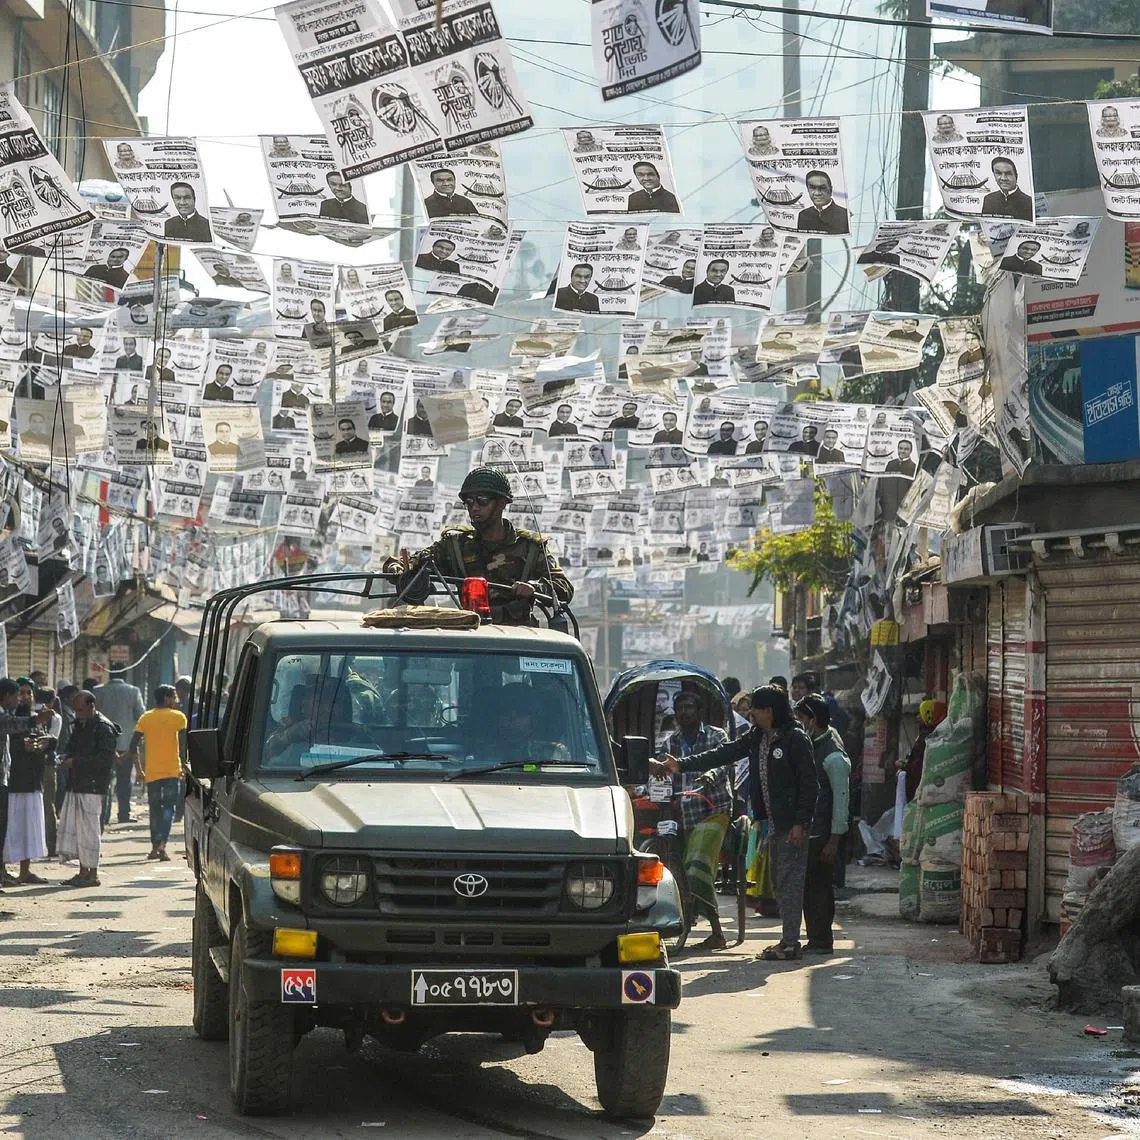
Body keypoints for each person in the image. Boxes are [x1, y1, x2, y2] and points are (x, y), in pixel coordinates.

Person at [652, 684, 817, 961]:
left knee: (789, 883)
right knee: (779, 881)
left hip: (792, 823)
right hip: (772, 823)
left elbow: (809, 785)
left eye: (756, 708)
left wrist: (801, 822)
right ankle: (788, 941)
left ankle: (790, 944)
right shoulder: (757, 736)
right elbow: (723, 754)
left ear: (770, 711)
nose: (750, 712)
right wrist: (680, 764)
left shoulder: (795, 739)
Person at [384, 466, 573, 626]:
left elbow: (564, 587)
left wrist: (535, 589)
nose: (474, 508)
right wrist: (397, 568)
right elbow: (410, 563)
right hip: (472, 636)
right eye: (469, 502)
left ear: (501, 503)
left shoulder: (530, 547)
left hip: (517, 641)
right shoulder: (456, 546)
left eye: (482, 501)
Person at [664, 691, 731, 951]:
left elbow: (725, 762)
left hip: (715, 811)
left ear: (699, 711)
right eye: (680, 707)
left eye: (689, 707)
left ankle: (717, 931)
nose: (685, 712)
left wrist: (711, 774)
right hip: (685, 816)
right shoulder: (671, 743)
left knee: (695, 867)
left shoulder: (716, 735)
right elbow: (662, 771)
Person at [794, 695, 851, 955]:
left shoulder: (833, 756)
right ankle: (815, 938)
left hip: (824, 835)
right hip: (813, 832)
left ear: (813, 720)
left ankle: (821, 941)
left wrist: (834, 840)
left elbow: (841, 800)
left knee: (819, 890)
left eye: (802, 719)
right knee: (810, 888)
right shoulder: (816, 744)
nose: (799, 723)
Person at [57, 690, 118, 888]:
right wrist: (66, 758)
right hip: (77, 783)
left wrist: (76, 762)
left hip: (93, 786)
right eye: (75, 710)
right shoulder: (81, 725)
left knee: (90, 831)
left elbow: (104, 760)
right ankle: (83, 871)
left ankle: (92, 873)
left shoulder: (103, 728)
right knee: (79, 831)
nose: (76, 714)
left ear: (91, 706)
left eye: (80, 710)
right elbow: (72, 747)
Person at [2, 679, 56, 884]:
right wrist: (21, 747)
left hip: (33, 781)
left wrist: (47, 743)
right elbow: (9, 745)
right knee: (9, 829)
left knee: (29, 829)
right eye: (21, 693)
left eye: (28, 693)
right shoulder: (9, 719)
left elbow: (48, 740)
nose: (24, 697)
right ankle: (4, 870)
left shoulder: (37, 718)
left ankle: (25, 870)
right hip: (13, 782)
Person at [128, 685, 187, 862]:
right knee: (169, 807)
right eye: (175, 697)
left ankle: (155, 847)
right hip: (172, 771)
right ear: (168, 698)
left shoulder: (146, 718)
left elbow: (133, 746)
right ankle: (162, 844)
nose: (177, 701)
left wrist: (139, 770)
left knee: (155, 810)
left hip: (152, 772)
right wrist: (184, 767)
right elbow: (184, 746)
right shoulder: (179, 718)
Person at [93, 674, 145, 826]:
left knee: (103, 780)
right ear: (125, 676)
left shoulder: (97, 691)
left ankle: (103, 815)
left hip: (102, 744)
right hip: (126, 745)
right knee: (124, 780)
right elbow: (141, 715)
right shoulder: (133, 691)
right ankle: (123, 814)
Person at [898, 698, 946, 802]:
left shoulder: (928, 737)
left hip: (921, 786)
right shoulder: (929, 734)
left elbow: (920, 764)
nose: (918, 717)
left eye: (921, 714)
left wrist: (905, 766)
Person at [981, 157, 1033, 221]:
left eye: (1008, 173)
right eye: (998, 173)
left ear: (1016, 176)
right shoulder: (989, 199)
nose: (1003, 178)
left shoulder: (1029, 202)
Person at [797, 170, 848, 235]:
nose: (817, 193)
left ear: (830, 190)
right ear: (808, 190)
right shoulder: (803, 215)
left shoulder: (844, 215)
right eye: (812, 188)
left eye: (822, 188)